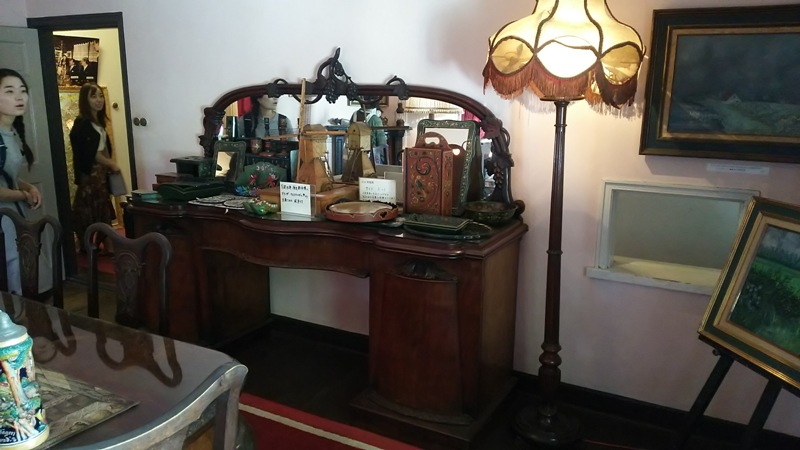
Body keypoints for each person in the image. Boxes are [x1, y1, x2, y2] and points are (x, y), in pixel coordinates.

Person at [0, 69, 44, 294]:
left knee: (18, 266)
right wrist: (23, 195)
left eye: (22, 90)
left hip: (13, 216)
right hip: (3, 218)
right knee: (9, 269)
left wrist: (28, 186)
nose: (19, 97)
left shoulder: (11, 132)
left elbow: (7, 174)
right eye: (9, 91)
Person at [70, 82, 120, 254]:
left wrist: (109, 165)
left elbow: (103, 150)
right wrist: (111, 163)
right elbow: (92, 153)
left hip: (101, 174)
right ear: (85, 100)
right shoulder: (82, 123)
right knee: (88, 211)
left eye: (100, 96)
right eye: (93, 96)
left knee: (101, 209)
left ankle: (104, 245)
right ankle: (91, 245)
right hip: (90, 174)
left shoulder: (99, 123)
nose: (99, 100)